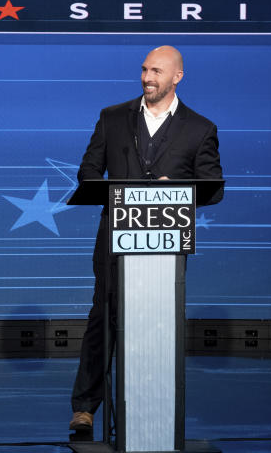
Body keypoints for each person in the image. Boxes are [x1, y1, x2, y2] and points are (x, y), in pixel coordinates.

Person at [69, 45, 224, 432]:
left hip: (166, 242)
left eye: (156, 71)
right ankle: (85, 407)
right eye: (144, 70)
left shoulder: (200, 128)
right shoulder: (113, 118)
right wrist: (116, 188)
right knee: (104, 315)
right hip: (114, 236)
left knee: (159, 322)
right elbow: (87, 173)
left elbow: (212, 187)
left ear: (177, 77)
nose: (147, 77)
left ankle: (154, 404)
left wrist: (179, 188)